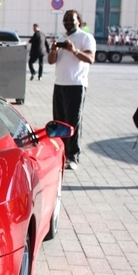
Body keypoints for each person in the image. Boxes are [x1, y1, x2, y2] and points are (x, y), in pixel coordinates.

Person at [47, 9, 96, 170]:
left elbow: (90, 59)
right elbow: (51, 61)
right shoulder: (62, 38)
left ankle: (73, 156)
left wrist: (74, 50)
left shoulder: (85, 37)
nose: (68, 22)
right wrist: (54, 49)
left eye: (71, 20)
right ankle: (60, 153)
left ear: (78, 21)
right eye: (65, 20)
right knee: (59, 121)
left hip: (76, 85)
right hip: (60, 84)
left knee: (73, 121)